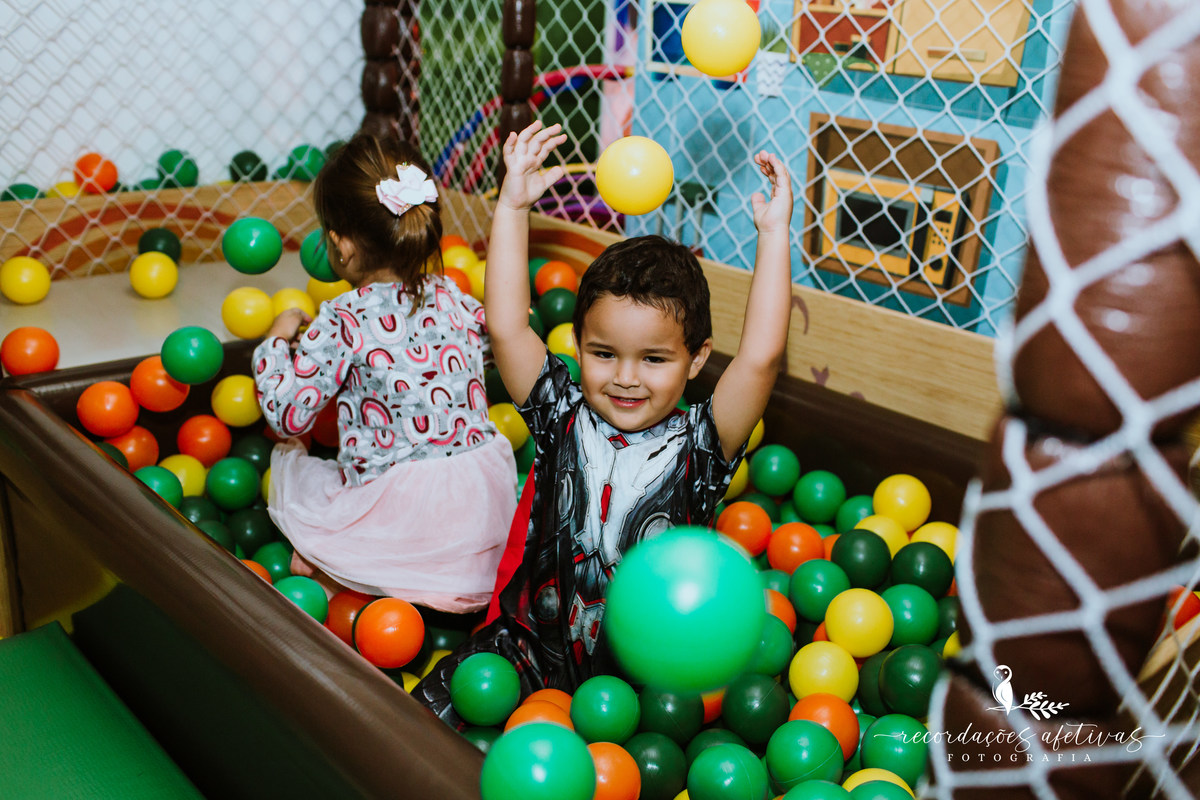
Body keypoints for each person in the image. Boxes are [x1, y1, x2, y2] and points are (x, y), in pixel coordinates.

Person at [413, 120, 794, 722]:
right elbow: (508, 325)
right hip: (523, 652)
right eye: (604, 353)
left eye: (655, 359)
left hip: (642, 685)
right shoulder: (560, 413)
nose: (626, 377)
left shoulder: (703, 445)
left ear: (696, 359)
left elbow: (762, 357)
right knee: (424, 717)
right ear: (577, 344)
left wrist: (773, 237)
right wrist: (512, 205)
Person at [251, 133, 517, 613]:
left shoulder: (341, 317)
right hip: (481, 503)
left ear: (340, 247)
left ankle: (347, 566)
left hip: (401, 509)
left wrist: (276, 339)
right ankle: (413, 576)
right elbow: (489, 353)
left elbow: (288, 417)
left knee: (294, 474)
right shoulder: (454, 296)